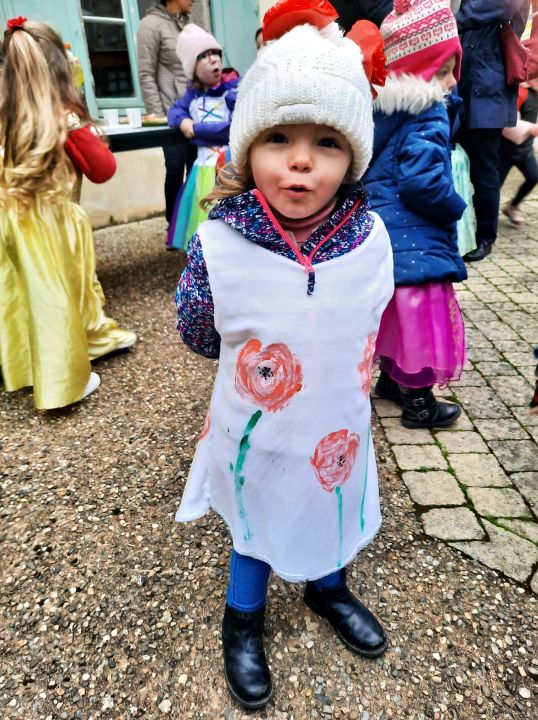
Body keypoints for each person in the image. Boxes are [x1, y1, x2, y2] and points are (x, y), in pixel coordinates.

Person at [175, 1, 394, 709]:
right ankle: (243, 617)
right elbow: (198, 328)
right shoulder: (220, 243)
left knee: (327, 504)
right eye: (279, 138)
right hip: (260, 429)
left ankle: (328, 587)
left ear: (353, 156)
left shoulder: (371, 239)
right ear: (248, 149)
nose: (301, 160)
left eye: (326, 142)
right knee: (258, 514)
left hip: (336, 427)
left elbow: (374, 315)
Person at [0, 18, 136, 410]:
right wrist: (78, 122)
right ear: (61, 66)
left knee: (19, 297)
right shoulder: (62, 119)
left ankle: (28, 362)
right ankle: (63, 381)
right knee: (55, 297)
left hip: (10, 223)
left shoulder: (6, 117)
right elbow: (103, 169)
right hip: (50, 228)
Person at [363, 0, 467, 429]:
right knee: (421, 321)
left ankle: (390, 382)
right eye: (444, 70)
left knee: (394, 316)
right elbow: (423, 182)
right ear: (422, 72)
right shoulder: (428, 110)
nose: (453, 80)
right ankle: (420, 405)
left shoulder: (380, 110)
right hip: (417, 238)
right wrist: (454, 206)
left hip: (383, 236)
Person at [455, 0, 530, 262]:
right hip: (464, 88)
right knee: (454, 161)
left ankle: (485, 237)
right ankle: (456, 231)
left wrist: (443, 23)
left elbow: (494, 7)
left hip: (489, 90)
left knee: (484, 169)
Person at [166, 24, 239, 250]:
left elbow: (231, 129)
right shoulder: (192, 96)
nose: (213, 59)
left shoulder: (233, 90)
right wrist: (183, 121)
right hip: (203, 168)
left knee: (229, 216)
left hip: (228, 166)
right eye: (204, 56)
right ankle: (206, 257)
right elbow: (174, 111)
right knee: (202, 215)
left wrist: (196, 131)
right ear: (192, 68)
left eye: (215, 53)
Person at [136, 0, 197, 226]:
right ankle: (174, 225)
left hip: (194, 115)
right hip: (170, 117)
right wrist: (157, 115)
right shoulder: (150, 24)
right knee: (175, 169)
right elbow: (146, 74)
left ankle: (194, 223)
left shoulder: (187, 26)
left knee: (196, 171)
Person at [499, 80, 538, 226]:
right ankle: (482, 215)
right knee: (494, 185)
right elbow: (507, 122)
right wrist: (530, 129)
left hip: (525, 150)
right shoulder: (519, 93)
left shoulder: (536, 93)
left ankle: (513, 207)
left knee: (533, 177)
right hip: (506, 151)